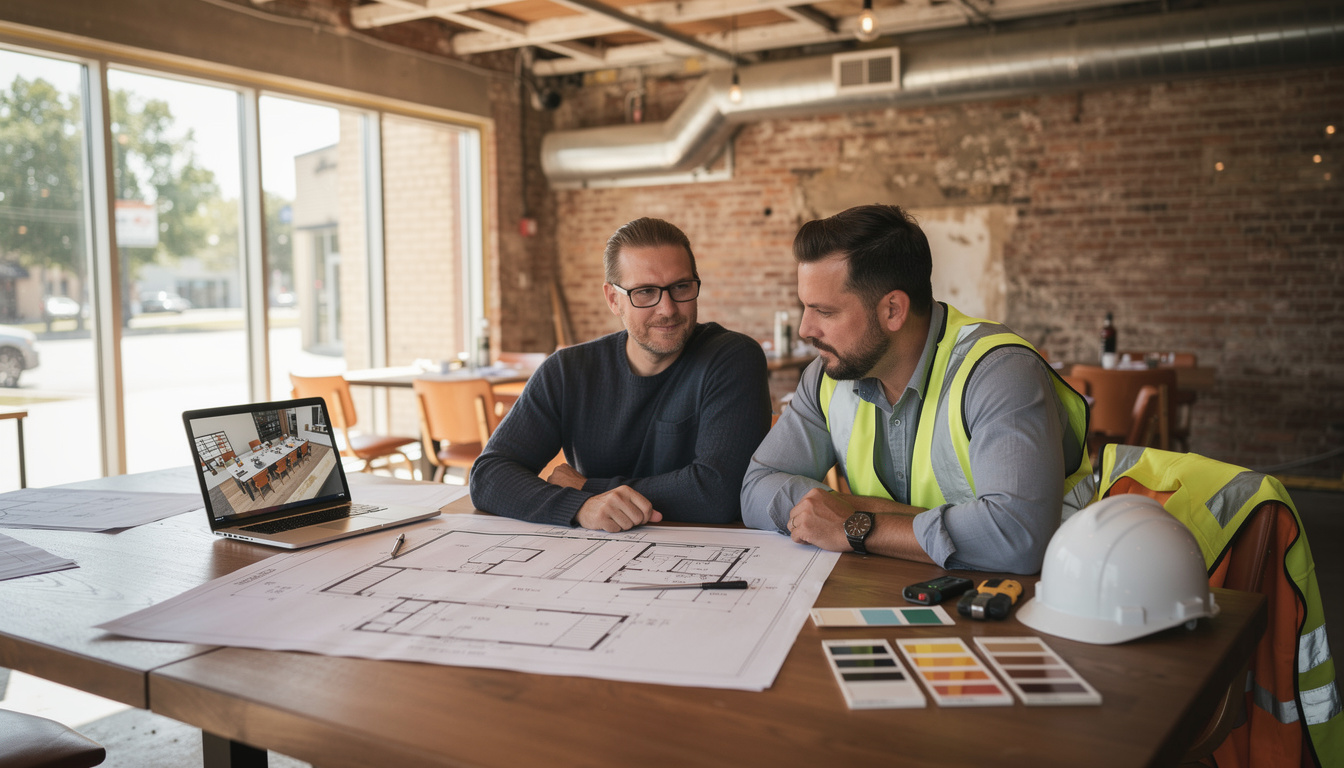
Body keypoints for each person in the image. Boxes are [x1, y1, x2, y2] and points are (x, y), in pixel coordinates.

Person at [740, 204, 1092, 574]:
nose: (805, 329)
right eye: (804, 308)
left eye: (824, 312)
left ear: (893, 309)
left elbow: (1018, 537)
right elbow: (756, 488)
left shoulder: (1000, 373)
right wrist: (882, 524)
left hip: (1036, 604)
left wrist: (856, 524)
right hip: (903, 588)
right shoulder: (826, 377)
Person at [470, 217, 772, 532]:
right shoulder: (567, 371)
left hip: (713, 555)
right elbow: (488, 475)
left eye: (681, 287)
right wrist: (580, 508)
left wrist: (587, 488)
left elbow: (717, 493)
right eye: (645, 292)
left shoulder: (732, 358)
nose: (667, 309)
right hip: (597, 558)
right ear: (614, 299)